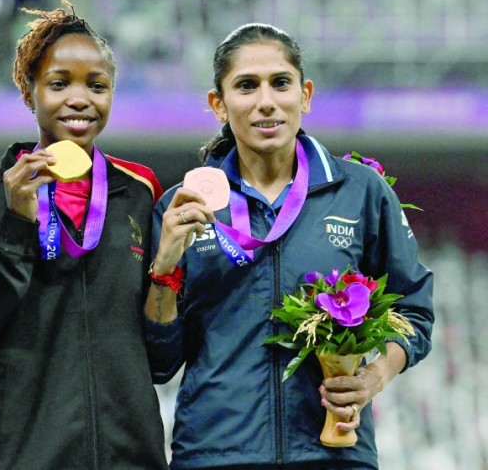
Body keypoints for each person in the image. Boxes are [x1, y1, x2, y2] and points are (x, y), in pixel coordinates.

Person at [143, 23, 434, 469]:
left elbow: (414, 310)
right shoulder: (183, 208)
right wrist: (164, 267)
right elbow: (159, 362)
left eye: (280, 83)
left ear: (305, 95)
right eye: (246, 86)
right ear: (218, 104)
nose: (266, 101)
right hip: (215, 454)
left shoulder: (359, 192)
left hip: (332, 453)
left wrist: (374, 376)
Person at [0, 0, 170, 470]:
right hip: (15, 454)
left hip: (127, 454)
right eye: (59, 83)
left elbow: (159, 354)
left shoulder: (140, 193)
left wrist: (170, 270)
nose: (80, 99)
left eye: (97, 85)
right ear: (29, 93)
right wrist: (17, 224)